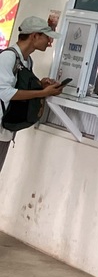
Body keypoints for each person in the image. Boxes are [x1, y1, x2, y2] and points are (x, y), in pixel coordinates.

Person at [0, 16, 64, 174]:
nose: (50, 42)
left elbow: (19, 85)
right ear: (34, 36)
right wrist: (42, 92)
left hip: (6, 130)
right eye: (47, 37)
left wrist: (41, 85)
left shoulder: (27, 61)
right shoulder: (8, 57)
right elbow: (4, 92)